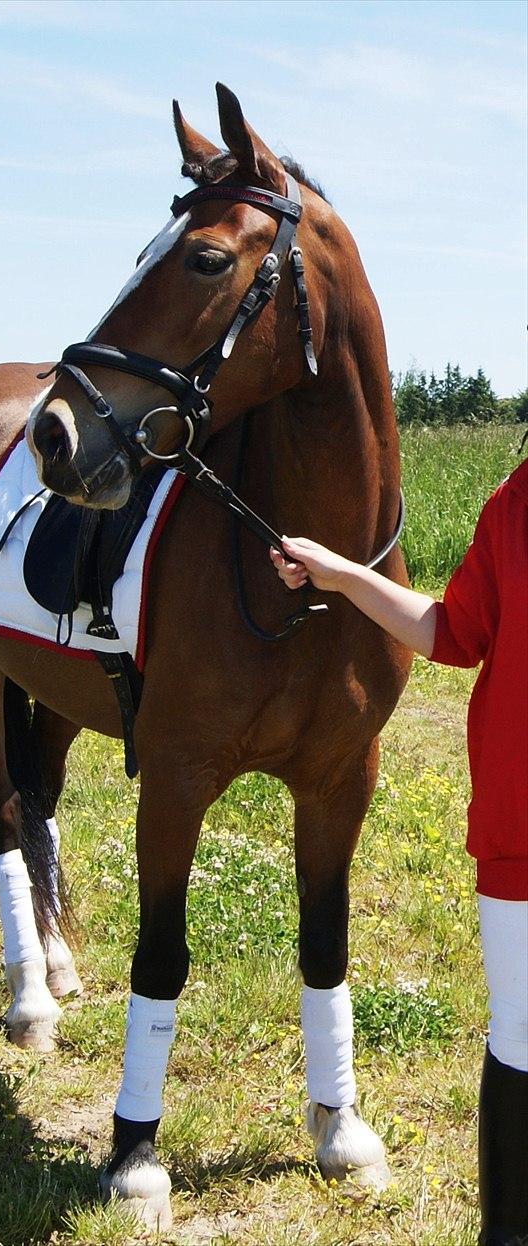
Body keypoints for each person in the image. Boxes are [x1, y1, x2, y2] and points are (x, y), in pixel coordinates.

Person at [270, 457, 528, 1246]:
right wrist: (344, 574)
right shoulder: (516, 502)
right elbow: (453, 632)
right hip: (521, 836)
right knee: (518, 1041)